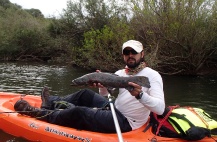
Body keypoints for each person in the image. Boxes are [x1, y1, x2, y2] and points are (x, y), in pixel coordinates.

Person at [14, 40, 165, 133]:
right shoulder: (120, 73)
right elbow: (106, 95)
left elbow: (160, 108)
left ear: (142, 54)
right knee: (84, 93)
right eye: (127, 52)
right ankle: (50, 101)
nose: (130, 55)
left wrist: (140, 95)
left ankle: (40, 113)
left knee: (79, 112)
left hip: (127, 122)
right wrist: (102, 86)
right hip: (114, 108)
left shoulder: (152, 76)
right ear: (123, 55)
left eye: (134, 52)